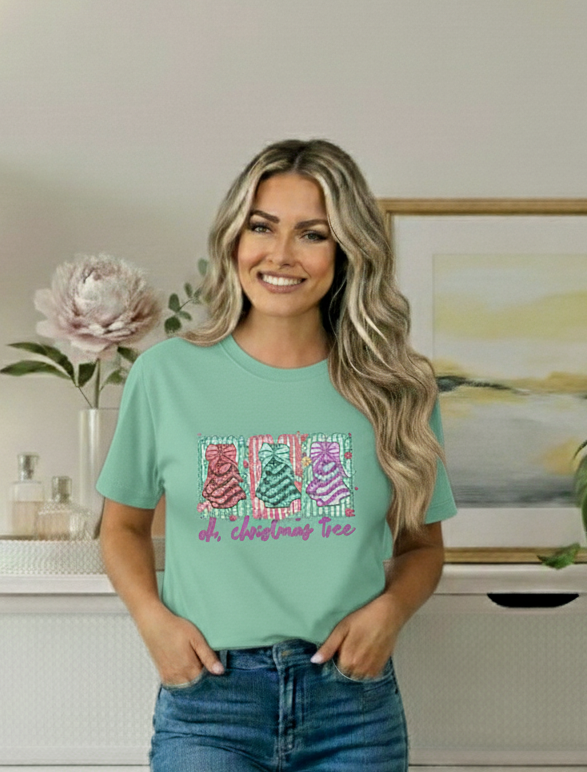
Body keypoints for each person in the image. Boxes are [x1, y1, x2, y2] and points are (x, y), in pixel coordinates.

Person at [97, 138, 457, 772]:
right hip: (210, 703)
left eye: (313, 234)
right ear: (235, 238)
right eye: (262, 227)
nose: (281, 255)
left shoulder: (399, 387)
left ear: (347, 252)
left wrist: (391, 612)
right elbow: (121, 527)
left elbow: (421, 548)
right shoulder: (166, 375)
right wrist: (152, 619)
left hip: (353, 704)